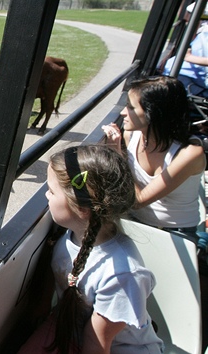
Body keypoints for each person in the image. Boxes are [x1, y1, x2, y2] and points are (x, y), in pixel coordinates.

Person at [17, 145, 163, 354]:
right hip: (71, 329)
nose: (47, 196)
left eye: (51, 191)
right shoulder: (70, 233)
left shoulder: (122, 275)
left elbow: (96, 345)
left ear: (82, 209)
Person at [102, 76, 205, 239]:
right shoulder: (131, 135)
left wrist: (117, 154)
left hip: (174, 233)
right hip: (133, 223)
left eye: (131, 107)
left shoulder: (189, 153)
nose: (123, 112)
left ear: (154, 114)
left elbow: (138, 201)